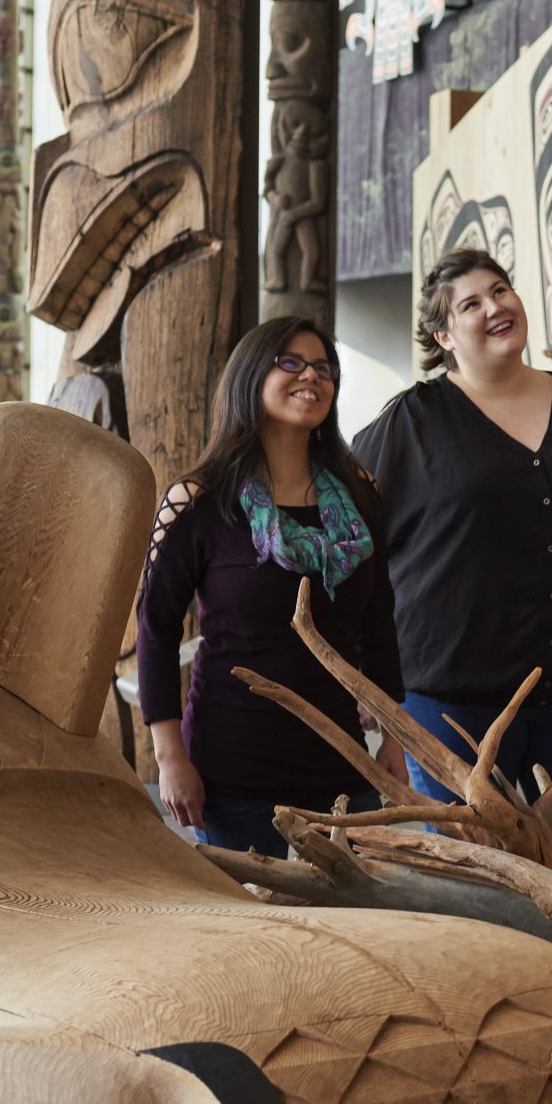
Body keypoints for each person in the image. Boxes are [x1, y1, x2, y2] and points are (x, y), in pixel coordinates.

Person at [353, 248, 552, 901]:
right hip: (450, 696)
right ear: (442, 336)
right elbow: (350, 550)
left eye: (500, 290)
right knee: (472, 886)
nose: (495, 307)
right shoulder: (409, 424)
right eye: (470, 303)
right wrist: (367, 674)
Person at [137, 317, 406, 858]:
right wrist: (169, 756)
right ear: (249, 376)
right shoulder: (197, 499)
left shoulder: (360, 496)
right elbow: (156, 626)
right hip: (233, 761)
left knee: (348, 933)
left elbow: (378, 623)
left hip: (341, 761)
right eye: (291, 362)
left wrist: (396, 742)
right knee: (252, 931)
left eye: (324, 367)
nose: (311, 375)